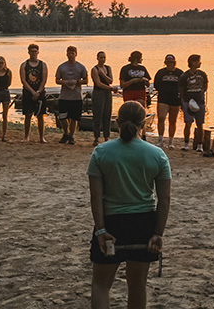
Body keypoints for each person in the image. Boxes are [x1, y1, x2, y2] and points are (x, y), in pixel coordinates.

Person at [88, 101, 171, 309]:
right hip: (143, 223)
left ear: (117, 121)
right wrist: (158, 232)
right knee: (137, 285)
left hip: (111, 223)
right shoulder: (157, 155)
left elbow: (96, 197)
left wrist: (101, 230)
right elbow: (164, 199)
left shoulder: (101, 152)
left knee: (100, 285)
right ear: (144, 123)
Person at [55, 46, 88, 145]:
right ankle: (66, 132)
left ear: (76, 54)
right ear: (66, 54)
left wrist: (77, 81)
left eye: (72, 53)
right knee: (62, 117)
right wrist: (64, 82)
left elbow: (86, 80)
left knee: (74, 118)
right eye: (69, 53)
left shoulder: (81, 67)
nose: (70, 55)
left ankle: (71, 136)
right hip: (64, 96)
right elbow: (57, 80)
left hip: (76, 96)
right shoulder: (62, 67)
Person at [178, 54, 208, 152]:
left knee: (200, 124)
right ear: (192, 62)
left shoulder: (202, 74)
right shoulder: (185, 75)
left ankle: (200, 145)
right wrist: (182, 103)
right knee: (188, 123)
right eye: (198, 61)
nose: (200, 63)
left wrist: (200, 94)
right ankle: (186, 143)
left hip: (199, 101)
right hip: (188, 101)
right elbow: (181, 90)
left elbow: (205, 87)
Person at [153, 54, 183, 149]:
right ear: (165, 63)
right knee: (161, 118)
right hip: (163, 98)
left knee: (172, 120)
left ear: (174, 62)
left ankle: (171, 141)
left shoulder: (179, 73)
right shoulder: (161, 72)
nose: (170, 64)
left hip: (175, 99)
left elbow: (182, 85)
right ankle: (160, 140)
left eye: (171, 62)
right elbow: (156, 84)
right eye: (168, 62)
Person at [20, 44, 48, 143]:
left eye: (35, 51)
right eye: (31, 51)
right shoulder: (24, 65)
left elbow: (44, 79)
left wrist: (38, 92)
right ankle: (26, 137)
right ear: (28, 52)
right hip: (28, 93)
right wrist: (32, 92)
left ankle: (41, 137)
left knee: (40, 115)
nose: (33, 53)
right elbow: (23, 80)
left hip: (40, 92)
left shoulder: (43, 64)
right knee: (28, 115)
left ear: (38, 52)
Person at [91, 51, 117, 147]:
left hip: (107, 94)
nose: (102, 59)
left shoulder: (108, 68)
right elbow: (98, 83)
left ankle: (106, 137)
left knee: (107, 115)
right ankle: (96, 137)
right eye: (101, 57)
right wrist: (110, 88)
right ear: (97, 58)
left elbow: (110, 80)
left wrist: (103, 75)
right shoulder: (95, 69)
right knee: (98, 115)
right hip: (98, 93)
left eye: (104, 57)